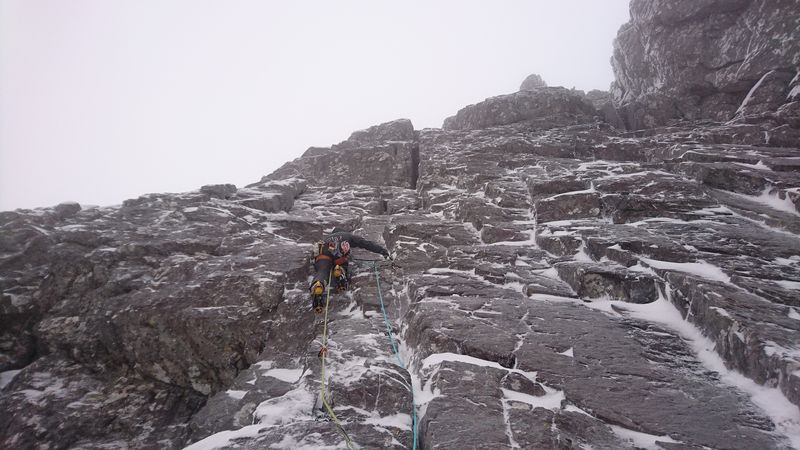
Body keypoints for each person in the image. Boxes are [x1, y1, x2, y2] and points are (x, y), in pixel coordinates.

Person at [310, 228, 390, 313]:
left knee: (322, 271)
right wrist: (383, 251)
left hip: (323, 256)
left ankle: (319, 284)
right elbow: (366, 244)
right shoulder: (348, 236)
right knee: (343, 262)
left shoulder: (326, 238)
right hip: (339, 258)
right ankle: (340, 270)